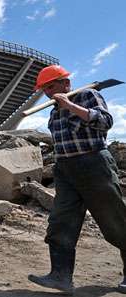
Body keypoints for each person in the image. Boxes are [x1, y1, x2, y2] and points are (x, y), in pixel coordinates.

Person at [27, 65, 126, 295]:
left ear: (66, 83)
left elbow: (105, 122)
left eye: (50, 86)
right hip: (65, 169)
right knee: (61, 221)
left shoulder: (87, 95)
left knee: (116, 221)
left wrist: (71, 106)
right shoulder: (53, 111)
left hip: (93, 165)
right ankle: (60, 276)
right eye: (43, 89)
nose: (48, 93)